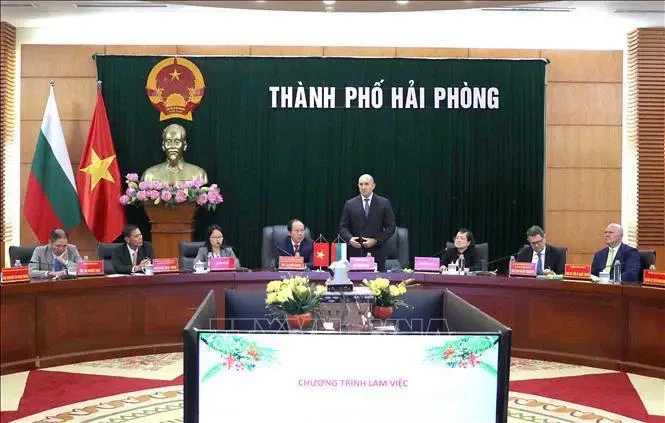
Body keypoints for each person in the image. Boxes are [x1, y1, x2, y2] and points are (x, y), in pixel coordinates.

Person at [339, 173, 396, 272]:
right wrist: (350, 239)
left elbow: (391, 227)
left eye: (366, 184)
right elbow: (342, 227)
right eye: (361, 184)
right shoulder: (350, 204)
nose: (363, 187)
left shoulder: (384, 203)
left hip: (377, 252)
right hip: (356, 253)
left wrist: (375, 240)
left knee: (377, 285)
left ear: (373, 186)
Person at [141, 124, 208, 185]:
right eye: (168, 142)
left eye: (177, 142)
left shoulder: (198, 174)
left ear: (184, 145)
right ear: (163, 146)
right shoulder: (149, 175)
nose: (172, 146)